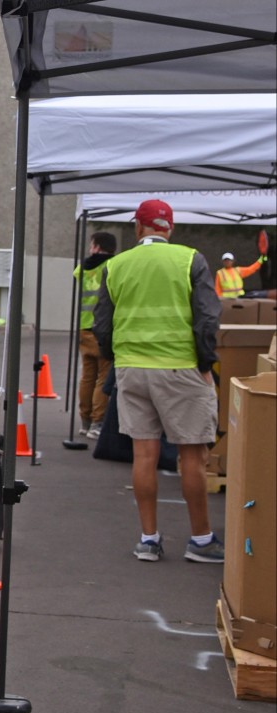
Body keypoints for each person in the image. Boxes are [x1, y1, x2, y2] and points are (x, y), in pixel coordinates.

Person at [93, 199, 223, 564]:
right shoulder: (190, 260)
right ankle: (201, 540)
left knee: (143, 455)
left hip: (133, 370)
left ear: (138, 228)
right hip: (181, 368)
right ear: (170, 228)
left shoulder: (115, 266)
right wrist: (205, 364)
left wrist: (119, 359)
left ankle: (148, 539)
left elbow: (102, 323)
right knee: (193, 456)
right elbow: (208, 318)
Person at [74, 232, 117, 439]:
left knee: (87, 377)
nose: (90, 248)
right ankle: (97, 423)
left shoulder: (82, 267)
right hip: (102, 328)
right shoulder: (113, 266)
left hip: (84, 328)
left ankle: (85, 420)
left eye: (92, 245)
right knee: (103, 378)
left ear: (98, 247)